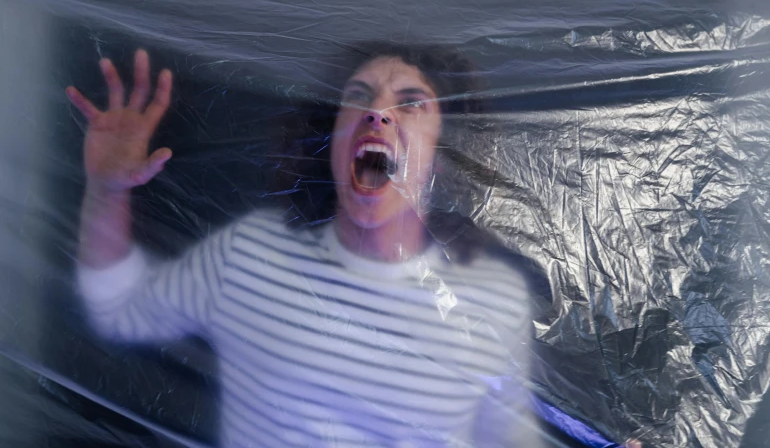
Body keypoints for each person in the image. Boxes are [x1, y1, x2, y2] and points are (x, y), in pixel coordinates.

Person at [66, 41, 541, 448]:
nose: (377, 113)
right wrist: (106, 189)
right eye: (358, 96)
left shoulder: (493, 298)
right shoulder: (250, 254)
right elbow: (119, 312)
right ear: (329, 139)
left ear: (443, 155)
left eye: (411, 103)